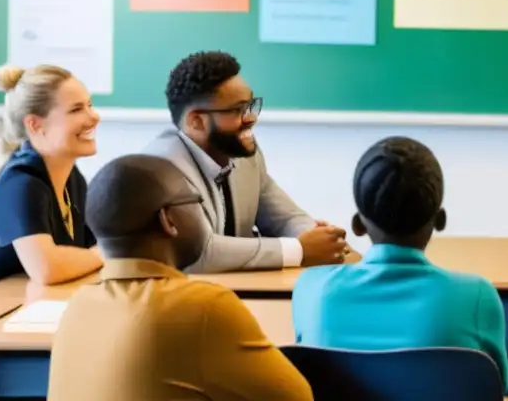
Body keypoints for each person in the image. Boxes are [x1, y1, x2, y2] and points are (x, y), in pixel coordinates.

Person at [48, 154, 314, 401]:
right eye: (195, 201)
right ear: (169, 220)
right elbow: (299, 397)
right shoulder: (202, 308)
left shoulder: (78, 305)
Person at [292, 136, 508, 389]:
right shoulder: (477, 297)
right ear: (439, 220)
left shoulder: (312, 289)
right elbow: (496, 386)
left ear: (358, 225)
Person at [144, 50, 351, 273]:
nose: (251, 117)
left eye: (251, 105)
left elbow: (283, 217)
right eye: (237, 110)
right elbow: (197, 252)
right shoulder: (163, 167)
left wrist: (318, 237)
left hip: (238, 290)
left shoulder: (241, 154)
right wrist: (299, 249)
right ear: (197, 121)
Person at [0, 65, 102, 289]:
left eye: (89, 105)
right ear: (35, 124)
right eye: (76, 109)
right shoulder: (20, 183)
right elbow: (46, 269)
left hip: (12, 298)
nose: (94, 116)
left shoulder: (71, 177)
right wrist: (106, 254)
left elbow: (90, 246)